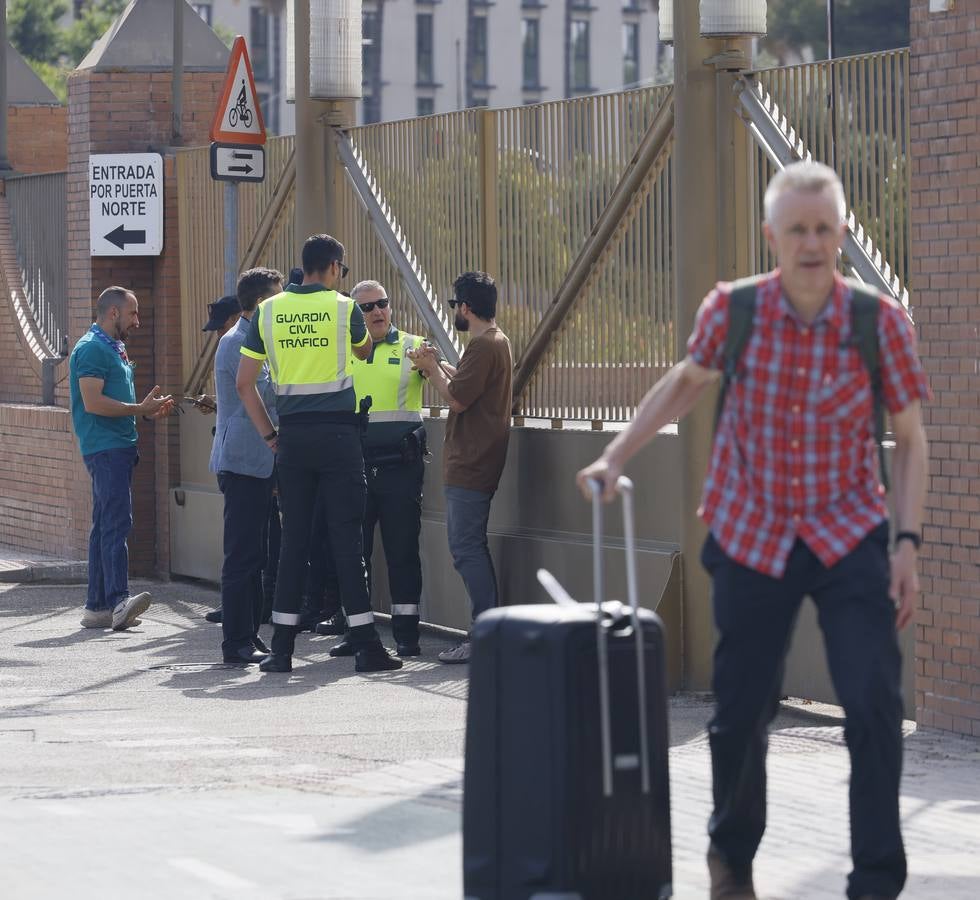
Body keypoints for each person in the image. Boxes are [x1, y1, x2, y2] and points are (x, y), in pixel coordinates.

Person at [577, 162, 930, 900]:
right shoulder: (735, 311)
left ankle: (876, 880)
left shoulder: (879, 321)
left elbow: (909, 438)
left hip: (848, 531)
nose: (812, 243)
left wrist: (905, 546)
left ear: (841, 233)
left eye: (824, 229)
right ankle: (730, 861)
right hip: (752, 530)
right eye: (797, 229)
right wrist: (614, 456)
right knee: (741, 714)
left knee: (871, 703)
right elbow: (683, 384)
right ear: (772, 235)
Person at [236, 233, 402, 674]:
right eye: (341, 271)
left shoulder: (268, 312)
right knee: (347, 540)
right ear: (333, 268)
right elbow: (366, 351)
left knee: (292, 543)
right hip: (338, 439)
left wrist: (271, 437)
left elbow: (244, 383)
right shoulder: (344, 307)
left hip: (291, 440)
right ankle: (366, 646)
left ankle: (281, 650)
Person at [408, 271, 512, 665]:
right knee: (469, 546)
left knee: (466, 548)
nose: (455, 311)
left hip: (471, 461)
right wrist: (439, 366)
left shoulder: (484, 346)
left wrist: (430, 370)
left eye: (455, 305)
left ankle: (483, 633)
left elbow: (457, 400)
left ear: (465, 307)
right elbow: (467, 385)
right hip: (478, 457)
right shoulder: (493, 342)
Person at [323, 279, 428, 658]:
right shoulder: (343, 352)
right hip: (354, 466)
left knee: (402, 551)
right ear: (355, 314)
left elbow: (452, 380)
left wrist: (437, 366)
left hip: (401, 465)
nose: (376, 312)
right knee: (354, 553)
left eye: (381, 303)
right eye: (366, 308)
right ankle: (358, 632)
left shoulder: (414, 346)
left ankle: (406, 635)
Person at [69, 286, 173, 630]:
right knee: (116, 523)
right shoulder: (92, 349)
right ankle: (117, 601)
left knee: (105, 526)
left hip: (118, 445)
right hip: (105, 448)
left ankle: (97, 607)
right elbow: (93, 403)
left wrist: (144, 412)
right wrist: (138, 409)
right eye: (133, 313)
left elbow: (115, 401)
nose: (138, 321)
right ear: (113, 313)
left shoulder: (114, 347)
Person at [209, 268, 284, 664]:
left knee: (257, 553)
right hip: (243, 461)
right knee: (242, 555)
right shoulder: (238, 342)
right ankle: (235, 642)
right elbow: (266, 389)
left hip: (256, 462)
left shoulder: (257, 339)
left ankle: (250, 635)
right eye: (277, 297)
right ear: (260, 304)